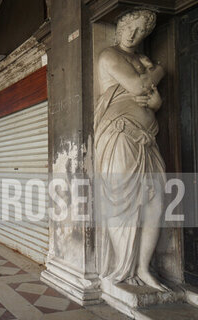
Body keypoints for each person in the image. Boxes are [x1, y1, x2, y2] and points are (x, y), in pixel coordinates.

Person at [94, 9, 169, 292]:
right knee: (121, 201)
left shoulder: (139, 60)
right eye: (131, 28)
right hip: (119, 135)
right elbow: (139, 85)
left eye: (142, 32)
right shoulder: (109, 55)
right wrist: (160, 69)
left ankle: (142, 268)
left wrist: (156, 103)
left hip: (147, 138)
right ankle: (121, 267)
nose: (135, 35)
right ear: (121, 26)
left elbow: (152, 100)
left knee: (156, 201)